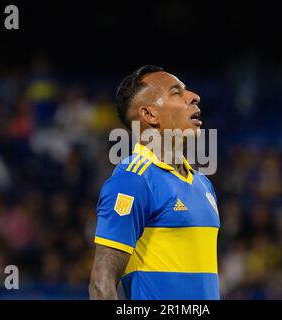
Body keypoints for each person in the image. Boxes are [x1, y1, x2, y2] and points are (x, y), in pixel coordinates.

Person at [89, 65, 220, 300]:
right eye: (176, 92)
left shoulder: (203, 183)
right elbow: (101, 285)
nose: (194, 97)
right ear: (149, 115)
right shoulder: (133, 180)